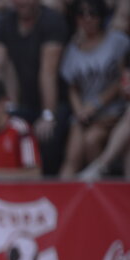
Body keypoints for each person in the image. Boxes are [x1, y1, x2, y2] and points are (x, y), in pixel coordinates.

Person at [0, 0, 68, 174]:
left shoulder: (52, 21)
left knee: (48, 135)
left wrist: (48, 115)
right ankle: (6, 182)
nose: (22, 2)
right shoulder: (6, 22)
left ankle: (49, 184)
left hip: (57, 102)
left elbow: (48, 72)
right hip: (24, 103)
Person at [59, 0, 130, 176]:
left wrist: (96, 104)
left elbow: (122, 79)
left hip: (112, 110)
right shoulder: (72, 49)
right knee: (72, 155)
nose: (87, 18)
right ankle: (61, 191)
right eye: (82, 14)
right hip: (84, 112)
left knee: (91, 140)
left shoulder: (118, 41)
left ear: (101, 15)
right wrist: (79, 110)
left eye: (93, 13)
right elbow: (72, 87)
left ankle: (98, 183)